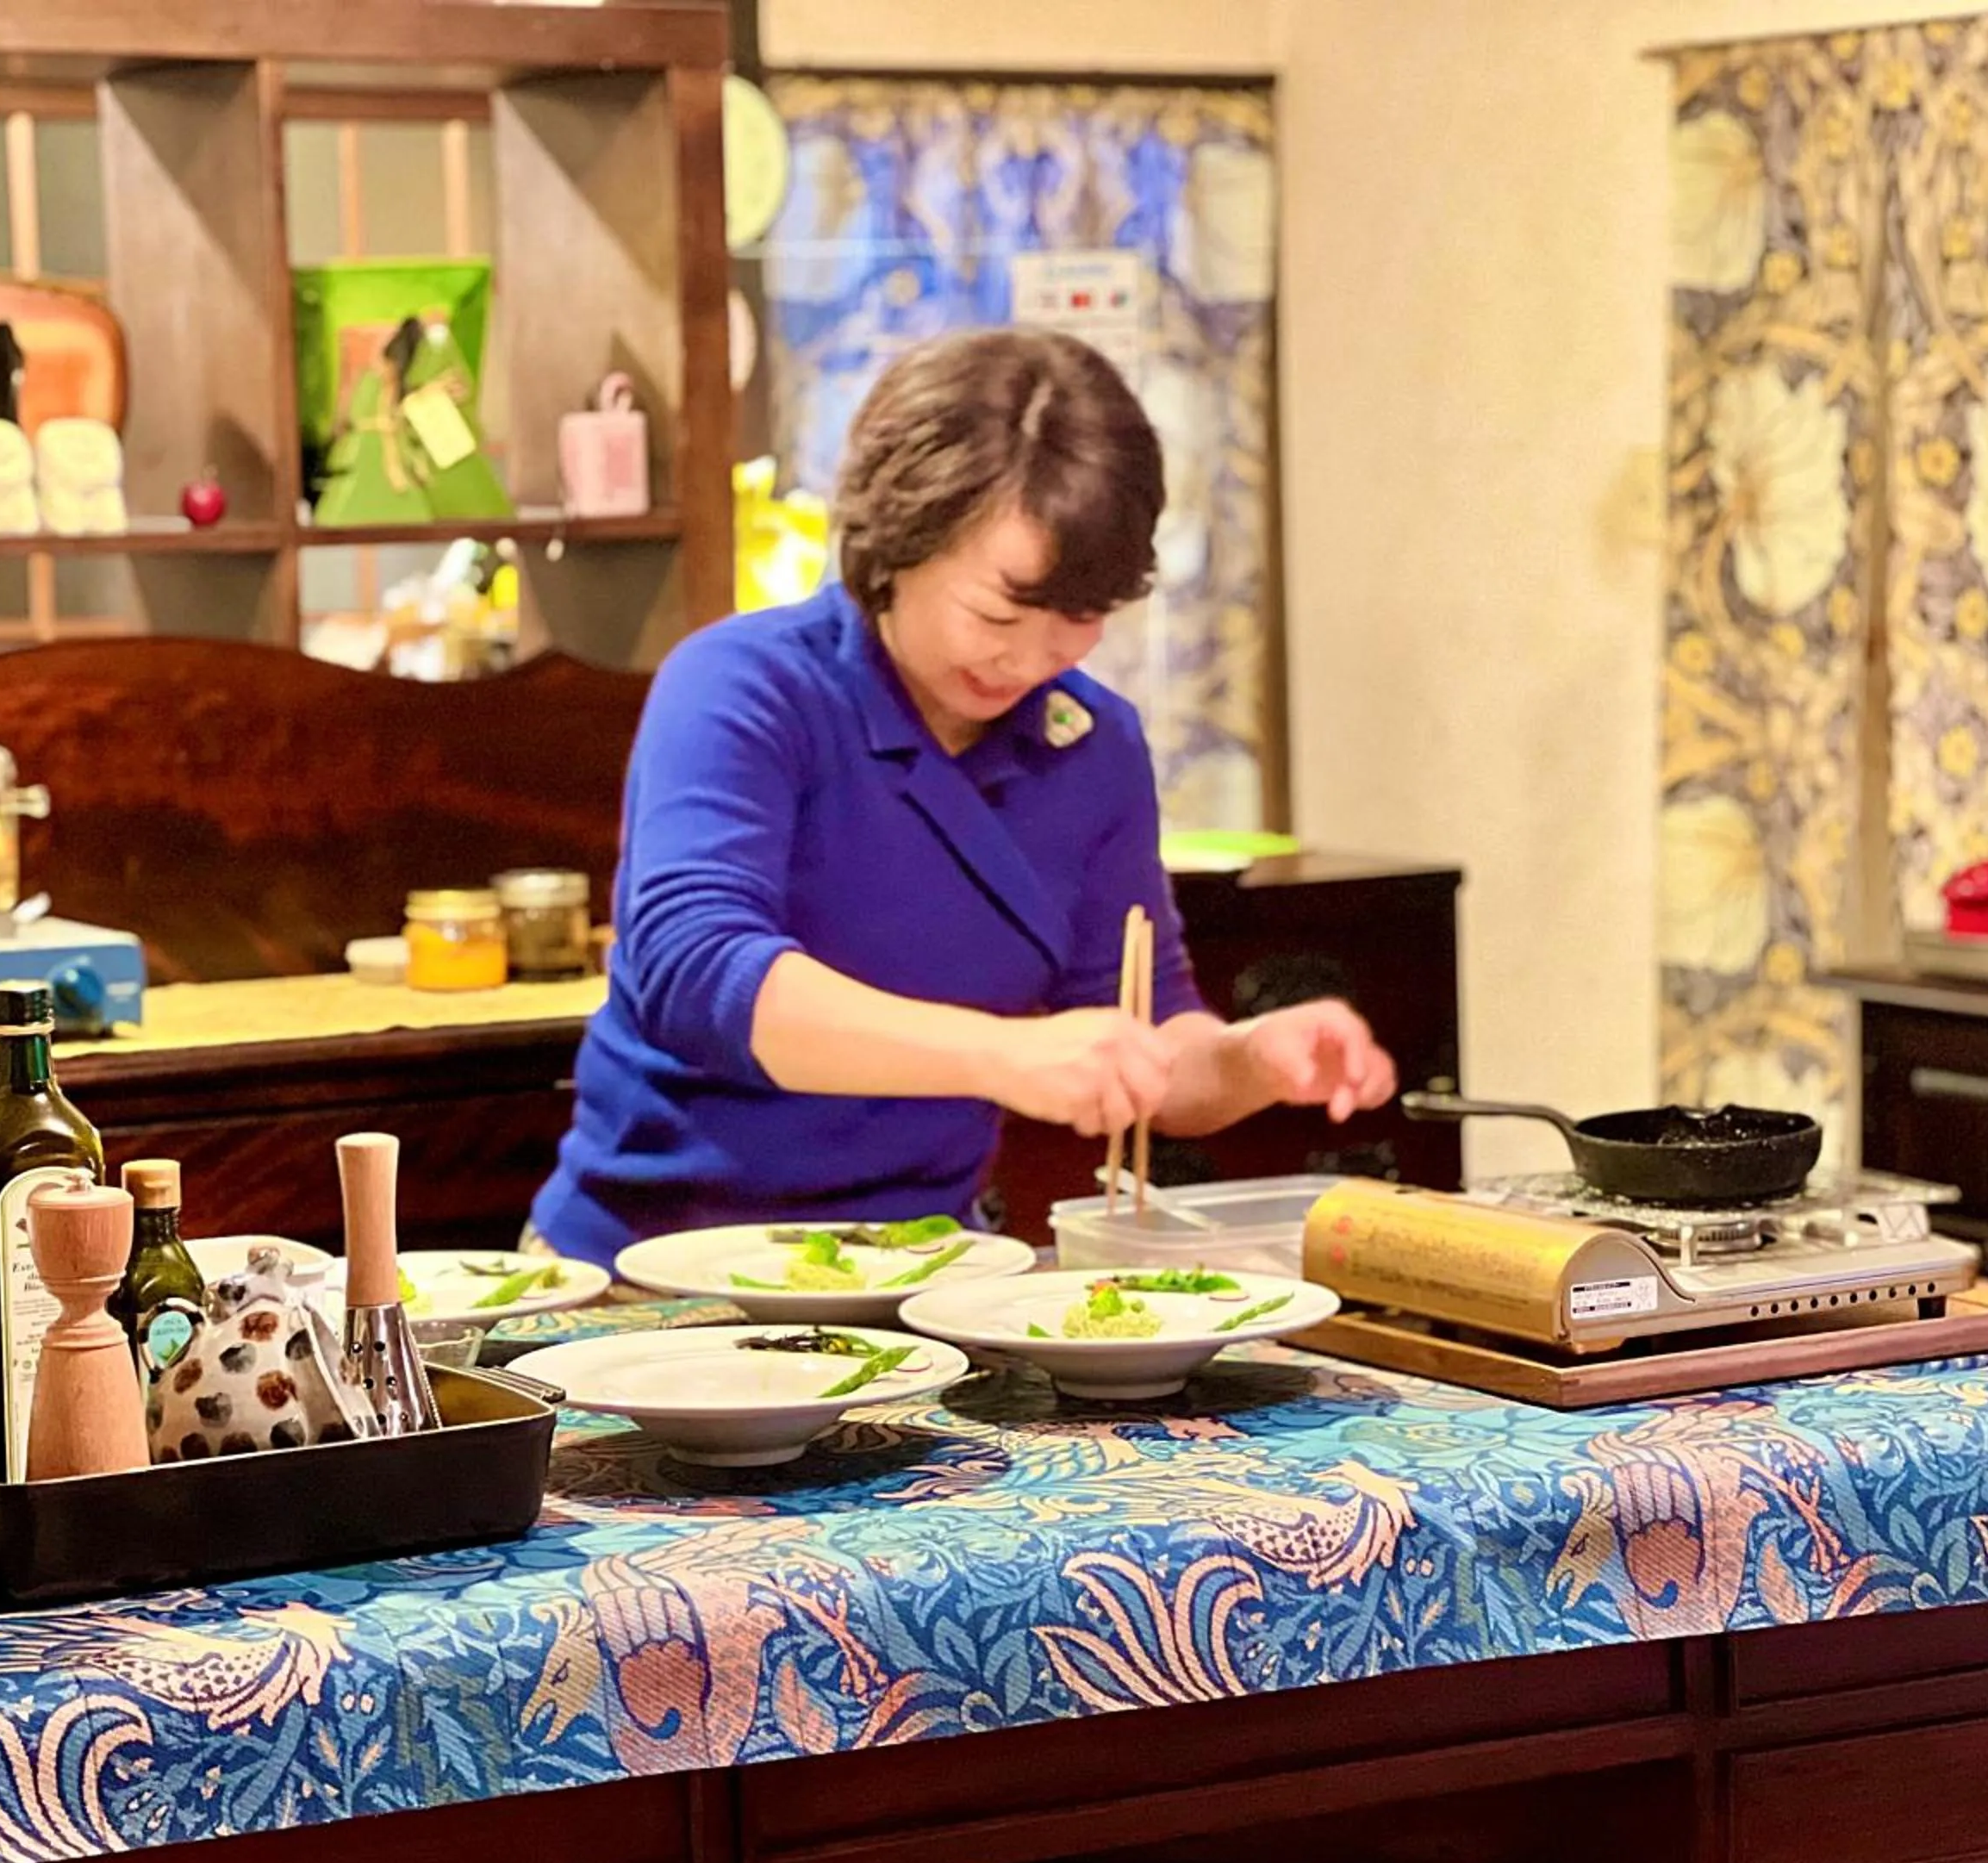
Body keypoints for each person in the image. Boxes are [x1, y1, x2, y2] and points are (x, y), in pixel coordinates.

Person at [530, 327, 1395, 1266]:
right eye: (997, 612)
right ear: (897, 541)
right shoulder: (744, 685)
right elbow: (699, 973)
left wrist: (1250, 1061)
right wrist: (1002, 1055)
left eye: (1079, 620)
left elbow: (1142, 1032)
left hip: (921, 1272)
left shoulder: (1093, 746)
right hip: (652, 1269)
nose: (1029, 660)